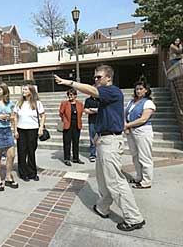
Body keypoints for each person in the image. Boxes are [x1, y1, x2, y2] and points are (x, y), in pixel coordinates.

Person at [54, 65, 146, 232]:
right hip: (105, 139)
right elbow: (106, 117)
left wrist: (69, 82)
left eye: (98, 77)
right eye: (95, 77)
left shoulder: (112, 91)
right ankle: (103, 207)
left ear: (108, 78)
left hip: (111, 143)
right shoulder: (107, 98)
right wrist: (98, 136)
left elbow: (91, 91)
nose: (95, 80)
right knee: (103, 181)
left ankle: (134, 218)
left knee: (115, 182)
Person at [124, 80, 156, 189]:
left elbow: (143, 119)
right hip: (131, 131)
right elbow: (125, 114)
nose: (138, 91)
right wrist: (127, 126)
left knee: (144, 157)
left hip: (143, 131)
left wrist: (128, 125)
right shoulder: (131, 102)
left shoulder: (148, 102)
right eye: (137, 89)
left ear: (146, 90)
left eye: (141, 89)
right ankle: (139, 177)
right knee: (135, 156)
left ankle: (146, 181)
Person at [14, 84, 46, 182]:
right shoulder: (19, 103)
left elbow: (43, 115)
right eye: (23, 89)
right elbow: (15, 117)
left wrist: (41, 128)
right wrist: (15, 130)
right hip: (21, 129)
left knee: (31, 151)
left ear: (31, 91)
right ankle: (23, 173)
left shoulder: (37, 103)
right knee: (22, 151)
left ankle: (32, 172)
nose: (23, 91)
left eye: (26, 89)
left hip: (33, 129)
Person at [59, 88, 85, 166]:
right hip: (67, 125)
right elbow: (61, 113)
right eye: (68, 95)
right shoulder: (64, 103)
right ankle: (66, 159)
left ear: (75, 95)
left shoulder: (80, 104)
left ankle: (75, 158)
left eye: (71, 94)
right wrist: (65, 120)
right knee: (67, 143)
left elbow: (81, 113)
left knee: (76, 142)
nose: (69, 96)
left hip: (76, 125)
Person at [84, 90, 100, 163]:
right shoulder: (88, 100)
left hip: (101, 122)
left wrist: (92, 110)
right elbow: (86, 111)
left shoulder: (101, 99)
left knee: (101, 138)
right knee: (92, 138)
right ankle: (93, 154)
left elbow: (103, 110)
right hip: (92, 122)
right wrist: (97, 110)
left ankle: (100, 154)